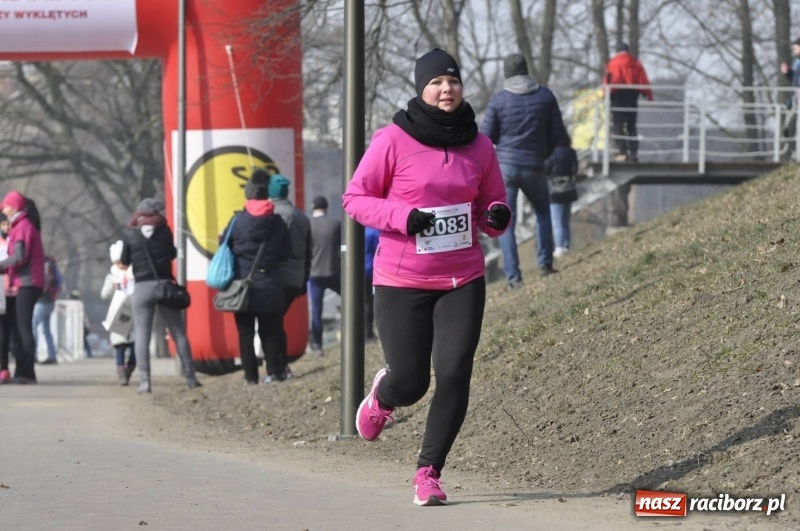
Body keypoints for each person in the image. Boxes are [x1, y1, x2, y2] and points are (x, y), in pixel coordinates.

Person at [342, 48, 510, 506]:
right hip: (402, 278)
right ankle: (384, 395)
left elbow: (493, 207)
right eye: (436, 82)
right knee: (412, 382)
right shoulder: (393, 140)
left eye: (452, 81)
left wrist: (496, 215)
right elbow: (355, 198)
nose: (446, 89)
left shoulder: (479, 144)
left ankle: (428, 472)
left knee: (454, 373)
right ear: (422, 88)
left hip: (462, 277)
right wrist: (402, 216)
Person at [480, 52, 567, 286]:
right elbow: (557, 131)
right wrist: (543, 153)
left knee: (505, 221)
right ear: (526, 70)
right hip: (535, 164)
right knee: (543, 212)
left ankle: (513, 277)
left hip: (506, 168)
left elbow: (487, 136)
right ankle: (546, 264)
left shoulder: (499, 100)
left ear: (506, 73)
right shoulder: (546, 96)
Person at [120, 197, 201, 394]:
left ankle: (145, 382)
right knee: (179, 333)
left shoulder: (131, 233)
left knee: (142, 335)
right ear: (156, 213)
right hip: (164, 286)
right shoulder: (164, 230)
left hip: (142, 289)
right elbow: (172, 253)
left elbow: (124, 261)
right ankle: (191, 378)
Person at [224, 169, 290, 384]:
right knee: (269, 331)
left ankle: (250, 377)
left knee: (245, 333)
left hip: (243, 285)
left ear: (249, 194)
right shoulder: (278, 222)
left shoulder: (237, 221)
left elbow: (225, 247)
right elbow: (285, 253)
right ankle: (273, 372)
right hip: (271, 284)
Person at [0, 191, 46, 384]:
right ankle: (25, 371)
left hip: (27, 282)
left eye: (6, 206)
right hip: (28, 282)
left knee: (23, 327)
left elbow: (20, 257)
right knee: (21, 327)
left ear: (15, 207)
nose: (4, 210)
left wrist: (1, 266)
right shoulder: (22, 226)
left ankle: (26, 372)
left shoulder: (22, 227)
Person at [269, 172, 311, 378]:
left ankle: (279, 366)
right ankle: (281, 366)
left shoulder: (272, 215)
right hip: (297, 275)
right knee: (277, 320)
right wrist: (304, 279)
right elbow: (309, 251)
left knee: (273, 322)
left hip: (277, 275)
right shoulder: (302, 216)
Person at [603, 42, 653, 162]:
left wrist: (605, 94)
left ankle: (622, 152)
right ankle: (633, 153)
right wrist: (648, 94)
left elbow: (607, 80)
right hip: (632, 96)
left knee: (618, 125)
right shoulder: (635, 63)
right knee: (631, 125)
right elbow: (643, 79)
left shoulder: (612, 63)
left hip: (617, 97)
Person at [307, 195, 341, 357]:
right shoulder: (335, 224)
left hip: (314, 274)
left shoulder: (308, 225)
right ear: (326, 208)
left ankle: (317, 345)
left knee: (316, 310)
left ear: (313, 208)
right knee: (352, 300)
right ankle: (359, 332)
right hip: (333, 271)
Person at [100, 240, 136, 386]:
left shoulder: (136, 273)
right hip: (118, 315)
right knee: (119, 345)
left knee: (135, 345)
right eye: (118, 263)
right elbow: (104, 295)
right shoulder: (111, 276)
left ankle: (131, 367)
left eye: (123, 262)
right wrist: (112, 287)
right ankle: (121, 370)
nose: (121, 266)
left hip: (133, 313)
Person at [545, 135, 579, 258]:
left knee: (557, 221)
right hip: (569, 189)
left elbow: (546, 169)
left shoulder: (550, 152)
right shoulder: (571, 151)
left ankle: (559, 247)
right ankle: (566, 245)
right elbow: (576, 169)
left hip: (555, 191)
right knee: (565, 220)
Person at [33, 255, 62, 365]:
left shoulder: (43, 264)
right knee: (46, 329)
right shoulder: (49, 263)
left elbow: (46, 280)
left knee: (33, 325)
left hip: (42, 300)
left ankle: (32, 354)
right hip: (49, 300)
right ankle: (52, 355)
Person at [0, 214, 13, 384]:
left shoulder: (11, 241)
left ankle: (4, 367)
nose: (6, 227)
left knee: (4, 330)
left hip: (7, 289)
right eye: (3, 224)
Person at [364, 226, 380, 342]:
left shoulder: (358, 229)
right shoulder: (374, 231)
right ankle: (368, 332)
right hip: (369, 269)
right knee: (369, 302)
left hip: (355, 270)